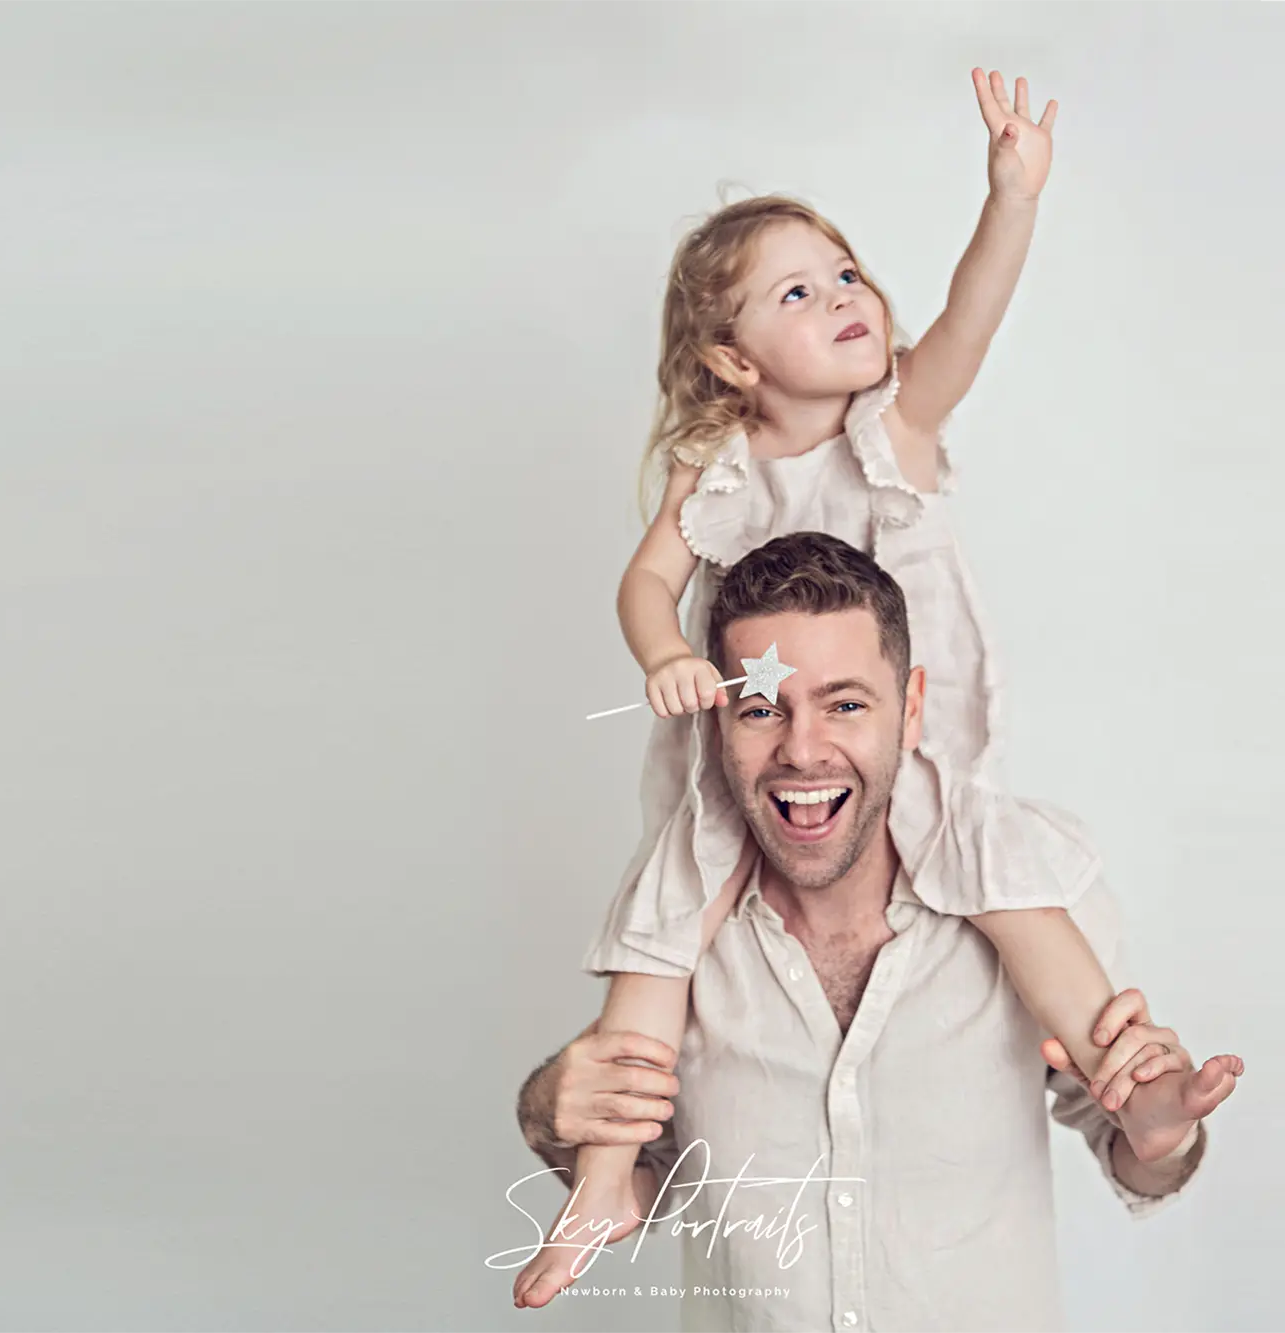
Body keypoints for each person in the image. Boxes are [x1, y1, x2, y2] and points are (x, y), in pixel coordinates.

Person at [523, 68, 1184, 1306]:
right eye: (797, 291)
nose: (842, 299)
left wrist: (1012, 201)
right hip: (748, 750)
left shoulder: (893, 430)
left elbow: (970, 321)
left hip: (909, 762)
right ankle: (604, 1175)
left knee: (1010, 891)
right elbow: (643, 583)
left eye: (846, 276)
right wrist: (665, 655)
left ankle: (1129, 1076)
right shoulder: (710, 474)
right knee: (661, 925)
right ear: (729, 355)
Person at [511, 531, 1246, 1328]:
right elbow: (641, 1188)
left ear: (913, 709)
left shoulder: (1026, 895)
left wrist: (1163, 1134)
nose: (802, 750)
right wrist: (549, 1116)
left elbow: (1139, 1147)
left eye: (846, 704)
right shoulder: (677, 930)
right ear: (718, 724)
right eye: (762, 710)